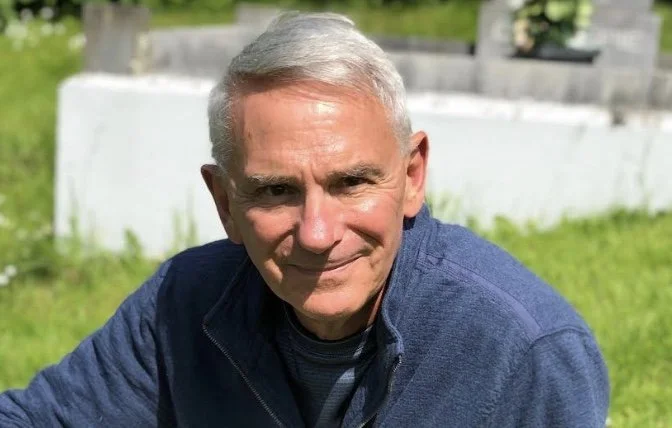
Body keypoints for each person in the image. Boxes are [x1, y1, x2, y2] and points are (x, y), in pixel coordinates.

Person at [0, 11, 609, 427]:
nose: (318, 233)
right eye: (276, 191)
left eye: (351, 183)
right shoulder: (184, 304)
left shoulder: (522, 351)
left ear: (412, 175)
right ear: (224, 203)